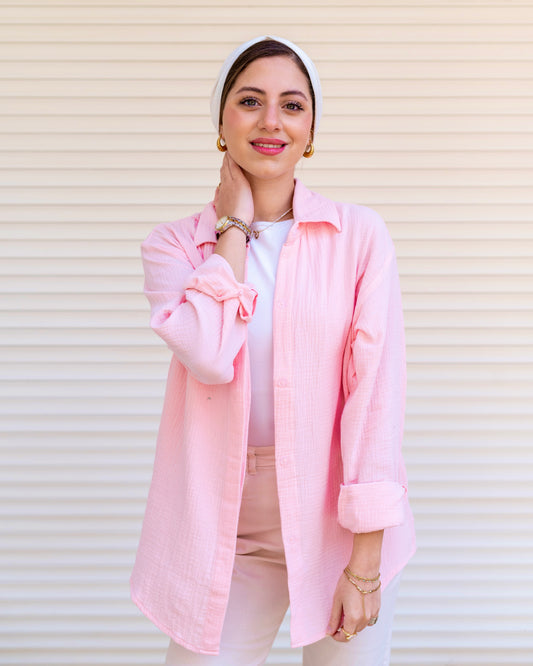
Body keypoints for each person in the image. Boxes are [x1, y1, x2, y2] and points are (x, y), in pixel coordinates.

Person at [130, 35, 416, 666]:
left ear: (311, 128)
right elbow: (207, 352)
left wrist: (364, 563)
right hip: (223, 528)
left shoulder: (358, 236)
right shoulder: (175, 246)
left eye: (292, 105)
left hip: (337, 523)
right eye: (251, 100)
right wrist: (232, 230)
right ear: (222, 119)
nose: (271, 122)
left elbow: (375, 398)